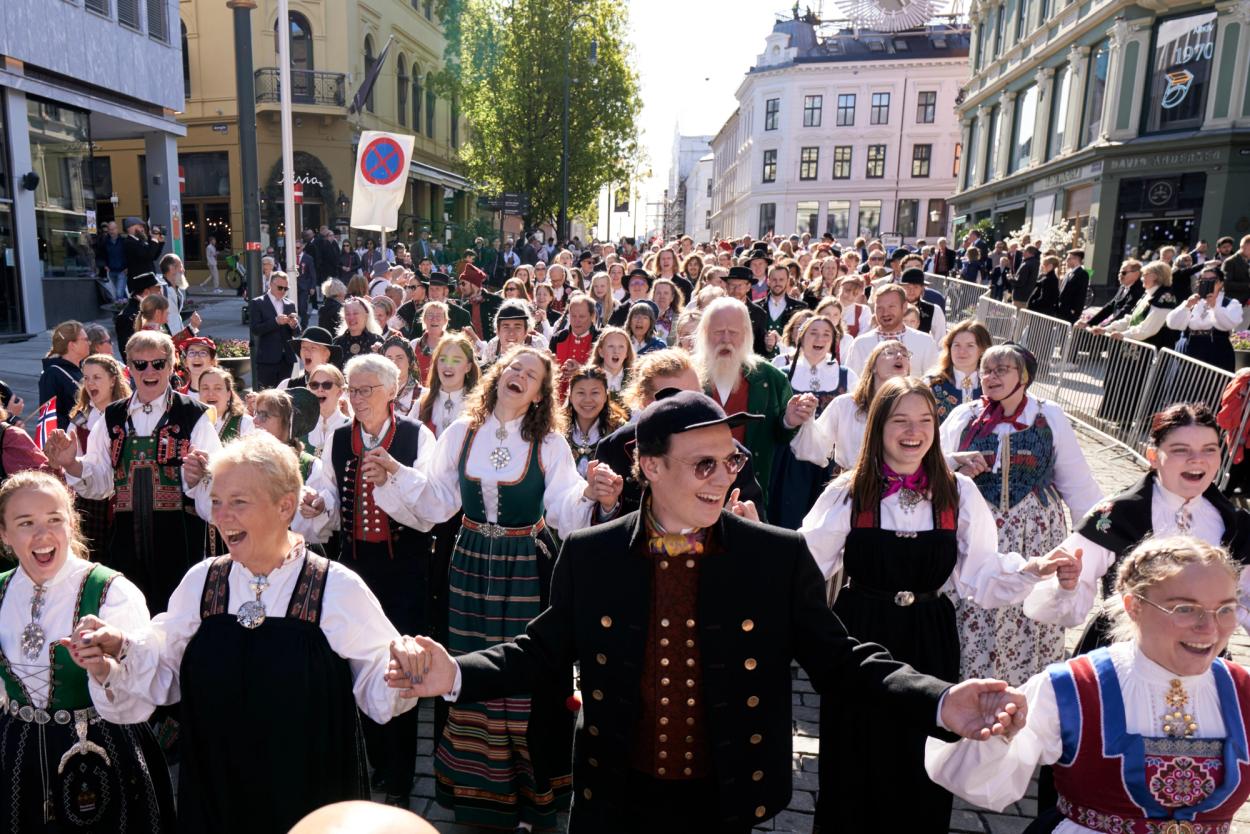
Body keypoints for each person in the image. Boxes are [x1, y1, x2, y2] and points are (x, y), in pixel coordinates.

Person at [388, 388, 1033, 834]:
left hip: (724, 796)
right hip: (616, 795)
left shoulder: (773, 557)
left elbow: (842, 660)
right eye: (703, 463)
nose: (723, 477)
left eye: (731, 461)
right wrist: (455, 675)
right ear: (648, 466)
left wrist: (940, 700)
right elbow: (541, 651)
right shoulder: (593, 555)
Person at [70, 432, 421, 832]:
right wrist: (119, 648)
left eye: (239, 502)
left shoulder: (334, 587)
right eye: (217, 502)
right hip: (217, 791)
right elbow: (161, 665)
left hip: (306, 792)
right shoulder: (203, 581)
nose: (222, 516)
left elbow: (379, 678)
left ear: (285, 505)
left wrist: (403, 670)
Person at [799, 376, 1078, 833]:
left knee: (920, 758)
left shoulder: (956, 492)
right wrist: (762, 546)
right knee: (854, 754)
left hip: (930, 636)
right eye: (901, 420)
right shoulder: (851, 491)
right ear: (879, 426)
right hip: (862, 636)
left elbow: (980, 575)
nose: (914, 431)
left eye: (925, 420)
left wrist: (1033, 569)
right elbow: (806, 563)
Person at [369, 346, 625, 829]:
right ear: (498, 375)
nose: (520, 376)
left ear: (539, 393)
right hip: (467, 563)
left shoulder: (549, 443)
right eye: (514, 368)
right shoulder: (461, 433)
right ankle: (477, 790)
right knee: (469, 664)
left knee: (523, 669)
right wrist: (397, 476)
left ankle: (530, 796)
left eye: (532, 375)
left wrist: (590, 493)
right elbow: (437, 499)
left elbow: (564, 505)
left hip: (525, 565)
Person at [927, 536, 1250, 834]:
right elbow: (981, 784)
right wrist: (1001, 734)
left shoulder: (1243, 691)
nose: (1208, 627)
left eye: (1225, 609)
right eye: (1185, 609)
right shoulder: (1072, 687)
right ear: (1133, 606)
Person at [0, 470, 176, 832]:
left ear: (71, 523)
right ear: (4, 534)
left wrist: (106, 671)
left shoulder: (111, 590)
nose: (42, 534)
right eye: (25, 523)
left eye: (54, 520)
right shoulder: (2, 592)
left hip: (100, 753)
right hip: (17, 756)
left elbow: (144, 691)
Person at [311, 354, 436, 807]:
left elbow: (430, 507)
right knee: (356, 661)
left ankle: (402, 776)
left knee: (399, 665)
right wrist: (316, 503)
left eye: (366, 390)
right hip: (355, 568)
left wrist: (395, 479)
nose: (356, 398)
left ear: (392, 390)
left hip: (404, 569)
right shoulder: (341, 437)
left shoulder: (416, 436)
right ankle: (374, 762)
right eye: (352, 389)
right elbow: (326, 488)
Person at [1024, 403, 1250, 651]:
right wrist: (1067, 586)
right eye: (1180, 450)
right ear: (1153, 456)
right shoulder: (1117, 515)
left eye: (1209, 450)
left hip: (1203, 656)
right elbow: (1053, 600)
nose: (1196, 460)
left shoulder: (1235, 524)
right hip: (1125, 656)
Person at [941, 343, 1103, 684]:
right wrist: (956, 464)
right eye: (986, 369)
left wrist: (1099, 541)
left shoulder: (1049, 416)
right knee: (975, 607)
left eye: (1002, 369)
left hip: (1036, 534)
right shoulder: (965, 415)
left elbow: (1077, 483)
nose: (991, 376)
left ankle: (1028, 691)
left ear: (1023, 377)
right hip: (977, 531)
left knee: (1028, 613)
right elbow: (933, 465)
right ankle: (969, 686)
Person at [44, 330, 217, 615]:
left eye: (158, 364)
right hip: (126, 537)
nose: (149, 371)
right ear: (129, 367)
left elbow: (218, 480)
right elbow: (100, 480)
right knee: (130, 615)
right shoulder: (112, 416)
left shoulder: (193, 414)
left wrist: (201, 476)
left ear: (172, 366)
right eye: (140, 364)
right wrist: (71, 463)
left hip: (180, 538)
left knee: (180, 618)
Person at [692, 297, 812, 509]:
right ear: (705, 334)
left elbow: (781, 435)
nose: (725, 339)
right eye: (719, 332)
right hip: (695, 488)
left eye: (734, 332)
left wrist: (788, 421)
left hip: (748, 493)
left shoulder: (770, 378)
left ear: (747, 335)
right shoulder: (688, 374)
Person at [767, 315, 857, 529]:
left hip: (829, 462)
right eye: (813, 333)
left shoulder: (846, 376)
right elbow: (771, 420)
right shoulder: (782, 374)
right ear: (801, 337)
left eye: (827, 334)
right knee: (787, 517)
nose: (820, 338)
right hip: (789, 459)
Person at [790, 339, 912, 478]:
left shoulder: (915, 407)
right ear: (873, 366)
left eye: (905, 354)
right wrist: (808, 419)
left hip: (900, 489)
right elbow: (815, 449)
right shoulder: (845, 404)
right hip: (852, 486)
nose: (899, 356)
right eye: (889, 352)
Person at [67, 353, 130, 561]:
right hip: (90, 502)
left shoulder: (128, 414)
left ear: (113, 380)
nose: (90, 383)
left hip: (123, 497)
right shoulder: (81, 417)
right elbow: (73, 457)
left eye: (96, 377)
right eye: (86, 378)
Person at [845, 284, 938, 379]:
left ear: (904, 307)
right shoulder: (860, 344)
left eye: (891, 306)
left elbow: (933, 382)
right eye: (880, 308)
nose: (885, 313)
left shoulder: (924, 342)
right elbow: (852, 384)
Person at [1168, 263, 1241, 372]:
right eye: (1203, 280)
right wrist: (1187, 306)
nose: (1207, 283)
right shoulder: (1193, 301)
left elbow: (1230, 323)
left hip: (1215, 350)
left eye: (1212, 280)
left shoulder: (1230, 303)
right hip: (1187, 348)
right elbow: (1172, 323)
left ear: (1220, 283)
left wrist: (1214, 306)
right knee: (1182, 385)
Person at [563, 364, 628, 478]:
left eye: (595, 393)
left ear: (605, 397)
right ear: (571, 397)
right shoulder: (557, 429)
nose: (588, 399)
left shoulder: (619, 431)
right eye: (581, 393)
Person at [926, 321, 993, 423]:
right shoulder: (931, 384)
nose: (962, 351)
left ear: (982, 350)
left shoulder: (994, 384)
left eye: (970, 345)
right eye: (957, 345)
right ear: (949, 348)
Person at [249, 270, 300, 389]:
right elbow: (255, 329)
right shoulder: (258, 303)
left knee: (284, 395)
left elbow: (297, 332)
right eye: (280, 288)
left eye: (286, 289)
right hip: (267, 359)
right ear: (271, 285)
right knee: (267, 396)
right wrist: (275, 322)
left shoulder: (289, 304)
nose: (283, 291)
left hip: (287, 359)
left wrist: (294, 325)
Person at [39, 320, 89, 429]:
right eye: (85, 339)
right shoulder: (52, 374)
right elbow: (51, 416)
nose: (89, 343)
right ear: (72, 345)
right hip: (70, 441)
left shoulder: (82, 370)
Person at [756, 262, 807, 358]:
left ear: (788, 281)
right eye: (774, 279)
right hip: (762, 364)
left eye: (781, 280)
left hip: (790, 363)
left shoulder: (800, 308)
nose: (777, 283)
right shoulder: (757, 307)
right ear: (768, 281)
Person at [305, 364, 351, 458]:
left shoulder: (351, 428)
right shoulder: (300, 428)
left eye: (327, 385)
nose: (320, 389)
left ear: (339, 392)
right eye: (314, 385)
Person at [114, 271, 162, 360]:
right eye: (158, 291)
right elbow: (128, 353)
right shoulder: (126, 317)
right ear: (147, 292)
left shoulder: (151, 310)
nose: (161, 295)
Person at [722, 266, 769, 355]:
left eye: (740, 285)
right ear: (727, 286)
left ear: (748, 287)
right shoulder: (717, 310)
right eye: (732, 285)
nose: (735, 290)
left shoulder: (759, 313)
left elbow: (760, 349)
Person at [457, 263, 503, 343]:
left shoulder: (496, 301)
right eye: (459, 284)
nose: (461, 287)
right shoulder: (465, 307)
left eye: (463, 283)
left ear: (474, 284)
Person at [901, 268, 948, 342]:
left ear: (922, 288)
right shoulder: (893, 308)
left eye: (916, 287)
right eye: (907, 287)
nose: (911, 291)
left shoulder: (934, 310)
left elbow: (940, 340)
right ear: (901, 287)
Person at [334, 296, 384, 361]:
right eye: (347, 314)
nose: (351, 318)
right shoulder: (338, 342)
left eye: (355, 313)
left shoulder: (376, 341)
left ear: (366, 315)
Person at [383, 337, 422, 418]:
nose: (394, 363)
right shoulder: (376, 392)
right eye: (389, 358)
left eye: (399, 358)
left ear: (410, 361)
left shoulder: (423, 395)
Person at [122, 218, 164, 285]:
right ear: (130, 228)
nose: (142, 229)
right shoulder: (129, 242)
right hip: (140, 281)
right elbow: (149, 255)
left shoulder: (141, 241)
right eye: (139, 226)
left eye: (142, 227)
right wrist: (154, 239)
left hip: (148, 278)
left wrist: (160, 243)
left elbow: (154, 257)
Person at [95, 219, 128, 301]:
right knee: (120, 292)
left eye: (113, 229)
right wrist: (105, 265)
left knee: (118, 293)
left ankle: (120, 311)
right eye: (109, 229)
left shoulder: (123, 241)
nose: (111, 231)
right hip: (111, 271)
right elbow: (101, 255)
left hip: (122, 271)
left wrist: (128, 267)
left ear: (117, 229)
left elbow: (129, 255)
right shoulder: (105, 242)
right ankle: (128, 309)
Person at [1055, 248, 1090, 324]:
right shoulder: (1068, 273)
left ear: (1076, 259)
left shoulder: (1082, 274)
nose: (1066, 261)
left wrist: (1075, 310)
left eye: (1069, 259)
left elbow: (1081, 294)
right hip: (1061, 310)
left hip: (1070, 312)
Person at [1026, 255, 1063, 319]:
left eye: (1044, 265)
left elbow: (1044, 298)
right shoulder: (1048, 277)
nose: (1042, 267)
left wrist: (1032, 304)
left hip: (1042, 312)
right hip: (1043, 311)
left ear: (1050, 266)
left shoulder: (1049, 279)